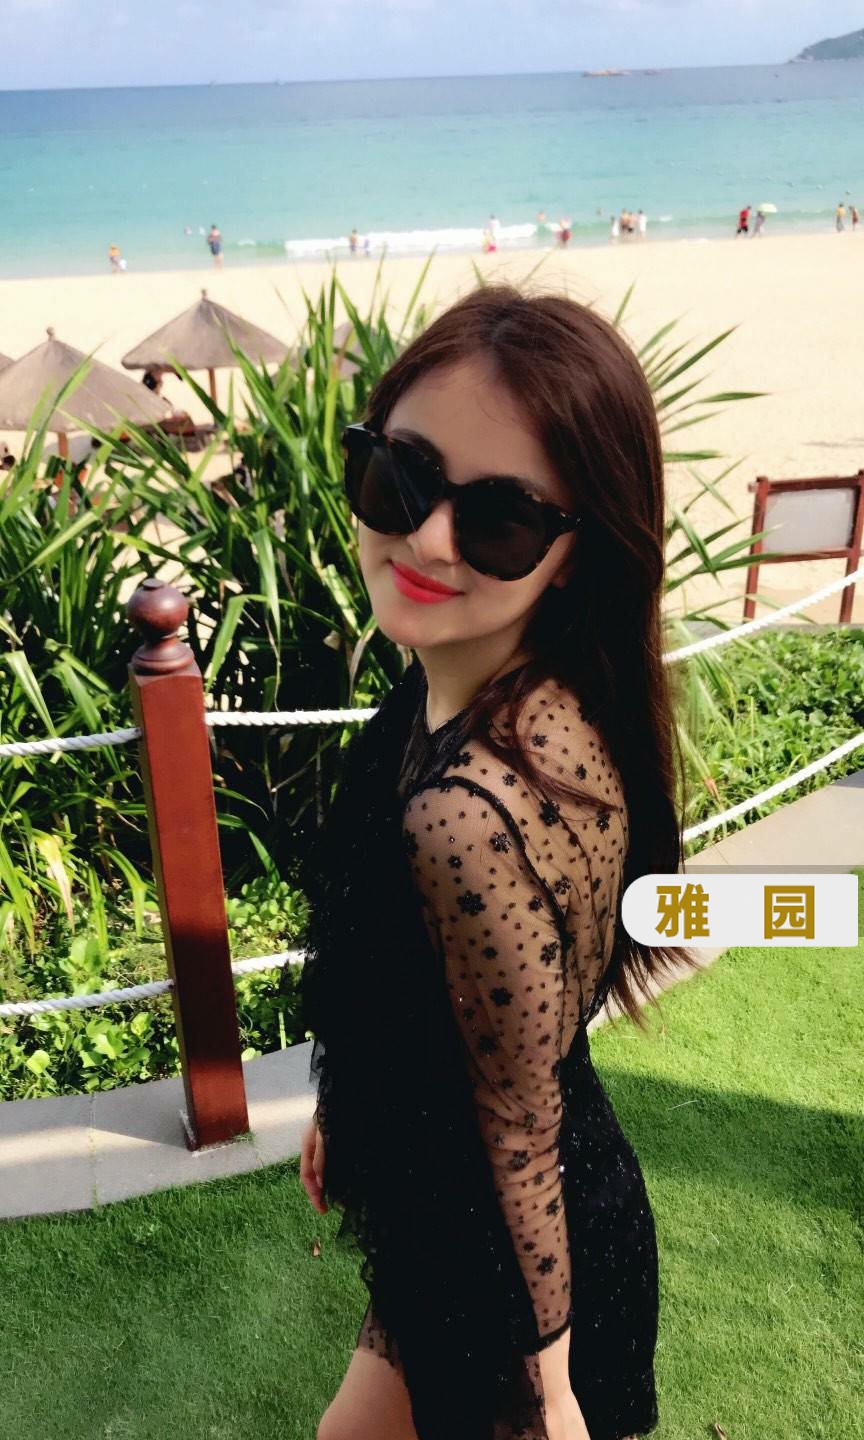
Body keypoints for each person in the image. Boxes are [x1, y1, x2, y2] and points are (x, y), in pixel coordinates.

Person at [299, 283, 704, 1440]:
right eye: (401, 478)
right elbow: (432, 995)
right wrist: (349, 1107)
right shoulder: (502, 682)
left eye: (502, 520)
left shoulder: (473, 812)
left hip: (515, 1269)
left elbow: (520, 1123)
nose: (428, 539)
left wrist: (548, 1393)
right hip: (454, 1201)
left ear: (572, 555)